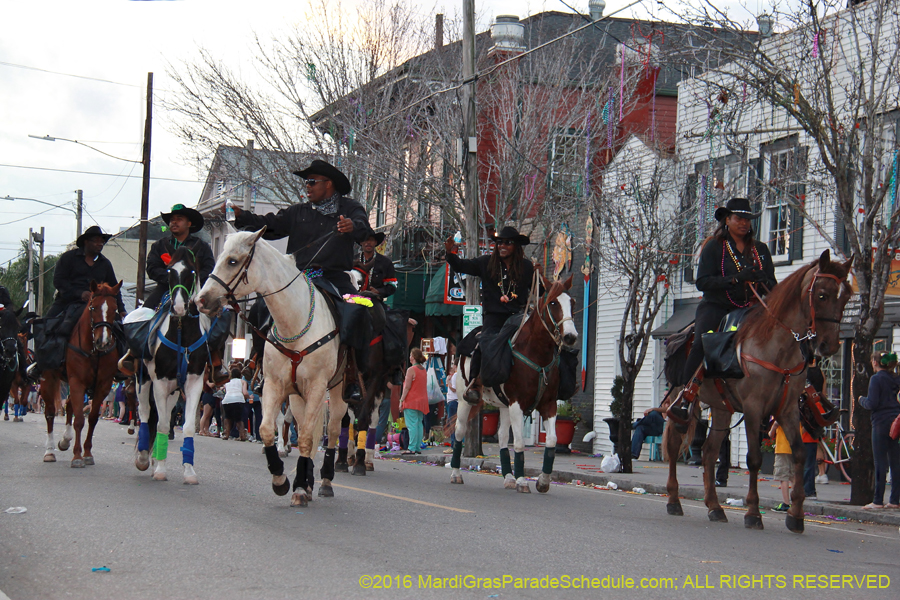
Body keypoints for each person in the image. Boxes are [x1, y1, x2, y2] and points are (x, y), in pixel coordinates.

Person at [667, 197, 777, 427]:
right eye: (739, 218)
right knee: (701, 342)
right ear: (727, 220)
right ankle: (685, 398)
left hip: (751, 308)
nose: (744, 223)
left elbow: (773, 285)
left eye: (747, 219)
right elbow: (703, 282)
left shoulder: (761, 250)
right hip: (717, 306)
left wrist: (763, 279)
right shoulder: (714, 246)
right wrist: (736, 279)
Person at [232, 159, 371, 296]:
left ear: (328, 184)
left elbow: (365, 230)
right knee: (261, 309)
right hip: (296, 278)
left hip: (335, 279)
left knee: (355, 311)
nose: (308, 186)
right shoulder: (296, 212)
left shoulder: (350, 208)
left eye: (312, 181)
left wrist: (353, 226)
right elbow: (270, 225)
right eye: (306, 182)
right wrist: (241, 216)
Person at [118, 204, 226, 380]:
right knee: (144, 313)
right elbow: (151, 267)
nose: (174, 222)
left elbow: (209, 268)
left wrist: (191, 279)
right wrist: (172, 278)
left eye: (179, 219)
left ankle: (216, 361)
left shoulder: (202, 246)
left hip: (194, 290)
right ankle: (133, 354)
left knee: (219, 315)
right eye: (172, 220)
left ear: (189, 223)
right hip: (165, 288)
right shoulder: (161, 245)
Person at [444, 226, 535, 401]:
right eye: (499, 242)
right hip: (494, 316)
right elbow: (462, 266)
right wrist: (451, 254)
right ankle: (474, 384)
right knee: (483, 342)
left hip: (518, 315)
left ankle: (543, 380)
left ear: (516, 246)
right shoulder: (486, 263)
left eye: (507, 243)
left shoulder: (526, 266)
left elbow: (540, 290)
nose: (502, 246)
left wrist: (540, 277)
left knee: (538, 337)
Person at [28, 226, 125, 380]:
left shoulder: (105, 264)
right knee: (47, 326)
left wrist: (121, 309)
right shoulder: (68, 258)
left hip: (97, 304)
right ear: (86, 242)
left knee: (120, 330)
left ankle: (120, 366)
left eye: (102, 242)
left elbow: (114, 289)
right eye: (96, 241)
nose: (100, 244)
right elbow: (58, 281)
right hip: (67, 301)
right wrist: (79, 293)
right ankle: (39, 365)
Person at [859, 351, 900, 510]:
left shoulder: (876, 379)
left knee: (880, 462)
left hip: (881, 422)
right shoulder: (897, 379)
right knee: (896, 462)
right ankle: (894, 500)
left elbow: (872, 403)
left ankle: (877, 500)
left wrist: (861, 400)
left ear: (875, 363)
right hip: (896, 422)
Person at [399, 348, 429, 455]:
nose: (409, 357)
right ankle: (417, 447)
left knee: (411, 425)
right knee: (419, 424)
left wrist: (401, 400)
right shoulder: (423, 370)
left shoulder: (411, 370)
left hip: (411, 400)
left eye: (411, 355)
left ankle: (411, 447)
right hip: (422, 400)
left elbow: (407, 387)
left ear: (414, 357)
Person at [356, 231, 397, 298]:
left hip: (375, 300)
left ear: (375, 242)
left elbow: (392, 286)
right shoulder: (353, 261)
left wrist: (378, 291)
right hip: (353, 299)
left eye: (371, 240)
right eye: (365, 240)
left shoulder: (385, 262)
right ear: (361, 242)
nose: (368, 242)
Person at [770, 420, 793, 512]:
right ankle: (795, 503)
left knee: (783, 478)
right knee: (794, 477)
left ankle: (786, 503)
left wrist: (773, 427)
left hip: (782, 448)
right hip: (794, 448)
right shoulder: (797, 417)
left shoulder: (780, 418)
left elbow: (771, 435)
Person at [220, 368, 248, 442]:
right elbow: (245, 393)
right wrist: (249, 397)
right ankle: (242, 435)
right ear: (240, 375)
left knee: (227, 417)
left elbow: (222, 390)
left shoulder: (227, 382)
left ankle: (226, 434)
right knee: (239, 419)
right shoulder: (243, 381)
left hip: (227, 400)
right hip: (238, 400)